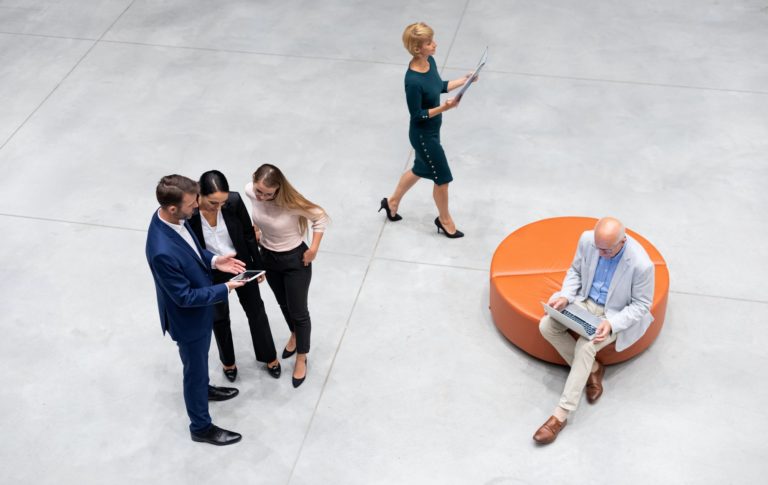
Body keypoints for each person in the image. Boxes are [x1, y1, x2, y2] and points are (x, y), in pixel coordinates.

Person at [533, 217, 655, 444]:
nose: (600, 254)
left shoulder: (641, 264)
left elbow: (641, 305)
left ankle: (561, 414)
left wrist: (612, 324)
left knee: (586, 346)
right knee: (547, 325)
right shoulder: (588, 240)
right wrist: (565, 296)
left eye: (606, 250)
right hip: (584, 301)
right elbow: (576, 271)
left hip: (613, 314)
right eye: (597, 248)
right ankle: (594, 370)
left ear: (622, 242)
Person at [145, 174, 247, 446]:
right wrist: (226, 287)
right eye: (192, 205)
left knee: (199, 364)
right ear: (172, 208)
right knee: (194, 371)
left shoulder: (176, 220)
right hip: (188, 321)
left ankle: (205, 389)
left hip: (200, 311)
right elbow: (184, 297)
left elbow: (193, 251)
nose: (197, 208)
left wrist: (214, 261)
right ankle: (200, 427)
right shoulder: (161, 250)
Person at [380, 21, 474, 238]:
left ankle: (392, 202)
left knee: (419, 168)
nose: (435, 45)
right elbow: (417, 114)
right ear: (417, 48)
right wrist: (445, 107)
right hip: (423, 135)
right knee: (442, 178)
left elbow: (439, 86)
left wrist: (465, 80)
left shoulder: (429, 62)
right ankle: (444, 219)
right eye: (429, 43)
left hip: (433, 131)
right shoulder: (412, 80)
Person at [188, 170, 282, 382]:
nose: (219, 207)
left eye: (222, 202)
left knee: (256, 310)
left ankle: (269, 356)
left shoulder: (234, 200)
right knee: (219, 318)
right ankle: (228, 361)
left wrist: (258, 267)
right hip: (211, 272)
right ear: (199, 195)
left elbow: (248, 234)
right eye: (213, 202)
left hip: (239, 265)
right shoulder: (189, 213)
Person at [244, 164, 328, 388]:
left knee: (299, 311)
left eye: (268, 194)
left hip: (294, 260)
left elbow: (320, 217)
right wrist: (258, 230)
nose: (261, 197)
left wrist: (314, 249)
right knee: (283, 304)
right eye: (259, 191)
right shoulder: (250, 192)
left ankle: (302, 356)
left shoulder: (292, 203)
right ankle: (293, 334)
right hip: (268, 258)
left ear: (279, 190)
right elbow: (260, 216)